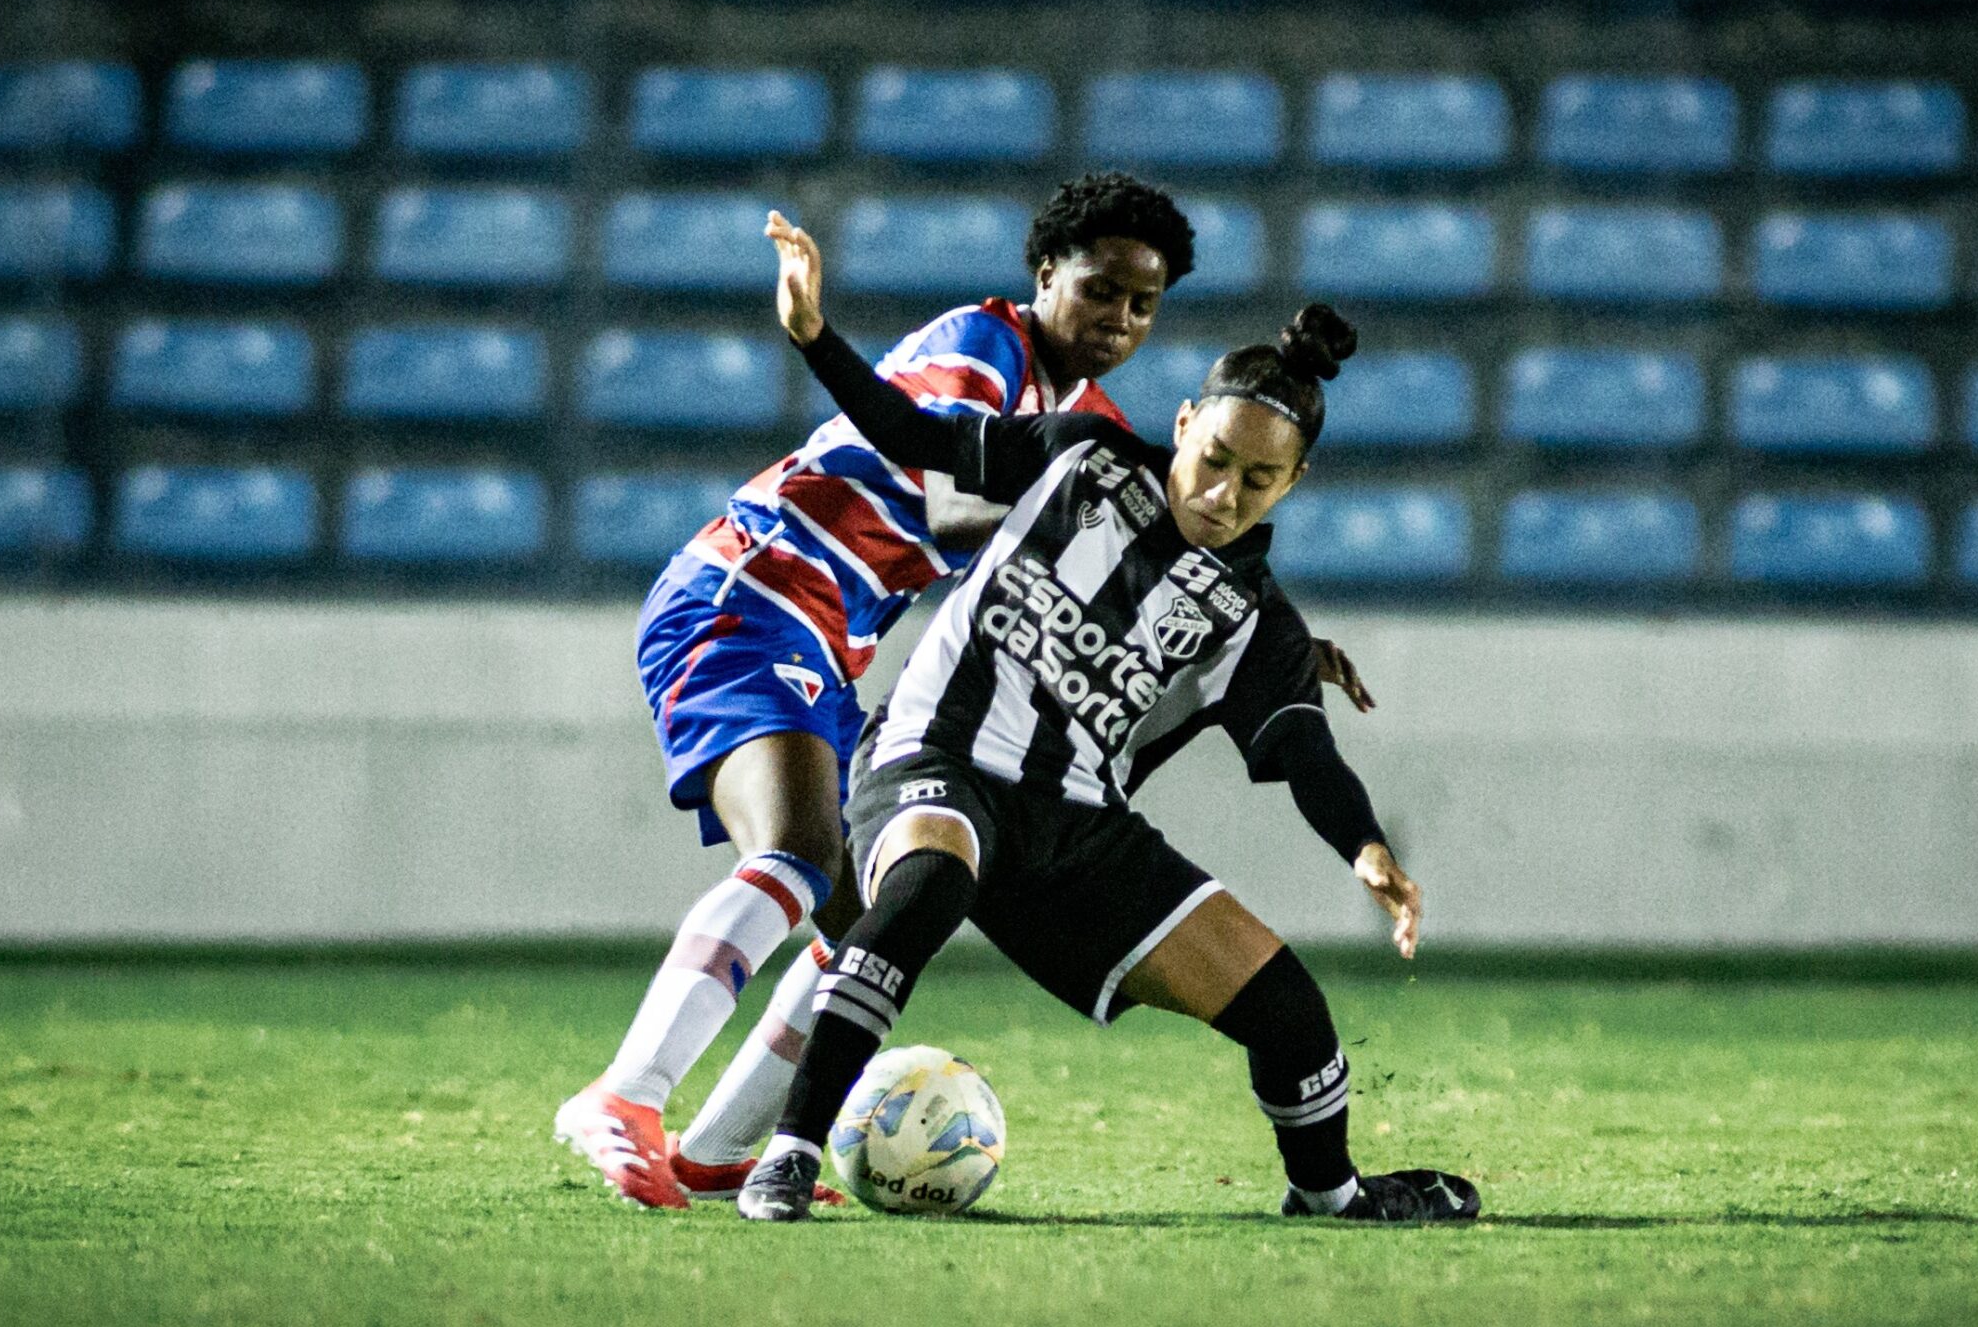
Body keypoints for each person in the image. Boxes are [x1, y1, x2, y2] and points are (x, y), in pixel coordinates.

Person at [557, 174, 1375, 1210]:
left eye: (1143, 303)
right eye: (1099, 290)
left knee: (863, 921)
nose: (1119, 320)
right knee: (803, 851)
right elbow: (952, 498)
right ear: (1044, 276)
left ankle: (718, 1152)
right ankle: (624, 1097)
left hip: (832, 630)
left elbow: (1155, 550)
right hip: (754, 587)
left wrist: (1270, 638)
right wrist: (818, 337)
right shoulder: (981, 350)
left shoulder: (1082, 420)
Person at [737, 211, 1478, 1226]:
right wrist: (813, 333)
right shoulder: (1080, 456)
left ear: (1292, 482)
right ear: (1182, 424)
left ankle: (1331, 1192)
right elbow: (916, 436)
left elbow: (1303, 748)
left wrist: (1364, 849)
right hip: (933, 757)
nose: (1222, 492)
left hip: (1074, 824)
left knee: (1292, 1015)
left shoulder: (1253, 619)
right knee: (926, 884)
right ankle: (785, 1153)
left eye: (1258, 480)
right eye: (1212, 457)